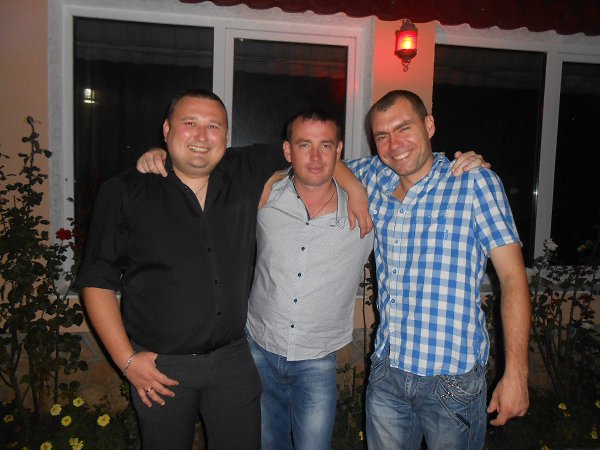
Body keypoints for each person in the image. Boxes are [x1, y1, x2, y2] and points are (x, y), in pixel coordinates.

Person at [341, 90, 530, 450]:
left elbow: (513, 279)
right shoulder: (375, 176)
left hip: (452, 382)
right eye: (382, 135)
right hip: (388, 372)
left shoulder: (473, 182)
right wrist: (353, 188)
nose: (394, 144)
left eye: (404, 128)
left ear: (429, 125)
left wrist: (516, 374)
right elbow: (325, 162)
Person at [245, 110, 374, 450]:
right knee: (267, 444)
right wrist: (157, 158)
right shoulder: (265, 195)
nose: (315, 157)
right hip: (259, 348)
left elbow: (412, 170)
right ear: (287, 151)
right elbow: (201, 170)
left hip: (317, 357)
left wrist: (467, 163)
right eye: (304, 145)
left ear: (339, 150)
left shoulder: (366, 211)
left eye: (325, 145)